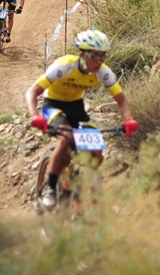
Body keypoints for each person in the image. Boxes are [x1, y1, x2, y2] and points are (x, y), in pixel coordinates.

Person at [25, 29, 138, 209]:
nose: (99, 62)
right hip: (53, 104)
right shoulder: (63, 66)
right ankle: (51, 191)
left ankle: (74, 179)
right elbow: (32, 92)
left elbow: (121, 100)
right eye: (95, 57)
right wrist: (34, 116)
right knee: (65, 140)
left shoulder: (103, 72)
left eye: (103, 57)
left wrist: (129, 120)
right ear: (82, 55)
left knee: (97, 152)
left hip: (76, 107)